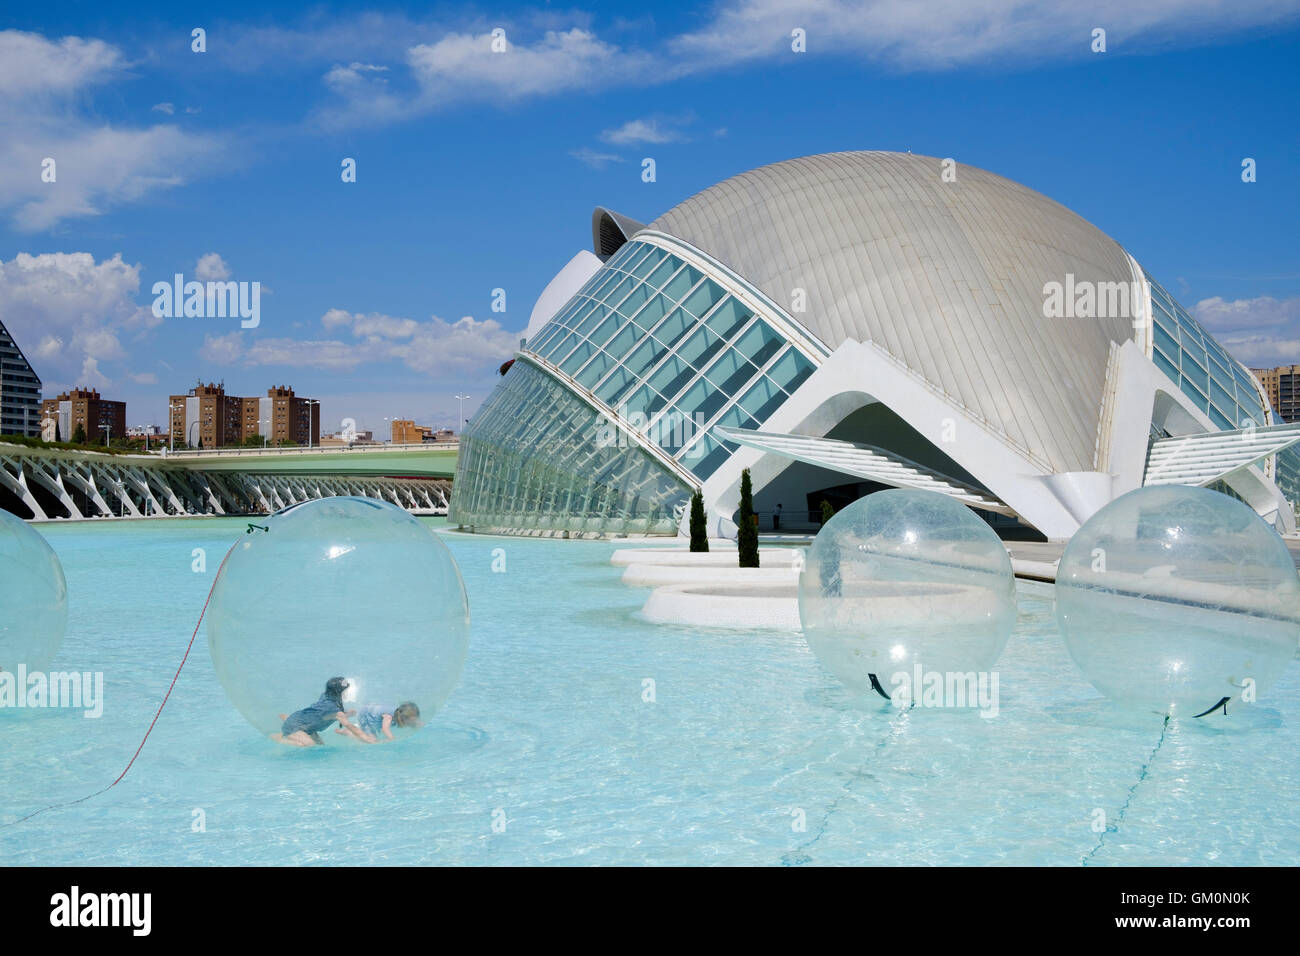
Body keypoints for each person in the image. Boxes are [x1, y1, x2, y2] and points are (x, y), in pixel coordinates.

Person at [273, 676, 362, 746]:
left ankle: (287, 720)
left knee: (320, 746)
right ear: (339, 693)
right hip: (297, 725)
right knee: (308, 744)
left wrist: (347, 714)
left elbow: (327, 715)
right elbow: (348, 725)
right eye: (345, 691)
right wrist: (366, 738)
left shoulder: (327, 697)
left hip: (308, 726)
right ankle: (277, 738)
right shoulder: (332, 708)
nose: (347, 693)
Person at [337, 701, 423, 743]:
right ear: (404, 717)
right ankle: (348, 732)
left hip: (370, 710)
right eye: (412, 720)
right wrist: (392, 740)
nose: (413, 722)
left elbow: (414, 723)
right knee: (372, 741)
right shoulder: (389, 717)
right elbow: (385, 729)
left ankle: (353, 712)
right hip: (366, 717)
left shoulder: (400, 712)